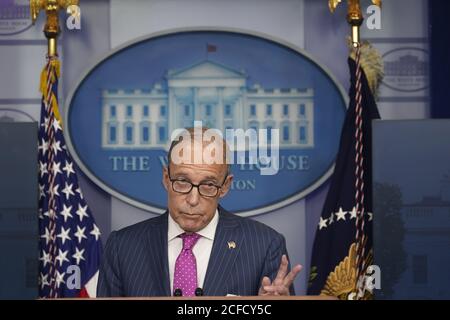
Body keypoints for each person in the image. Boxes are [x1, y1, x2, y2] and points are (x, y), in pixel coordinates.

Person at [97, 127, 302, 297]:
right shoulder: (121, 248)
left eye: (208, 185)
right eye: (183, 181)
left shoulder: (265, 245)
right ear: (166, 179)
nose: (193, 200)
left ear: (225, 186)